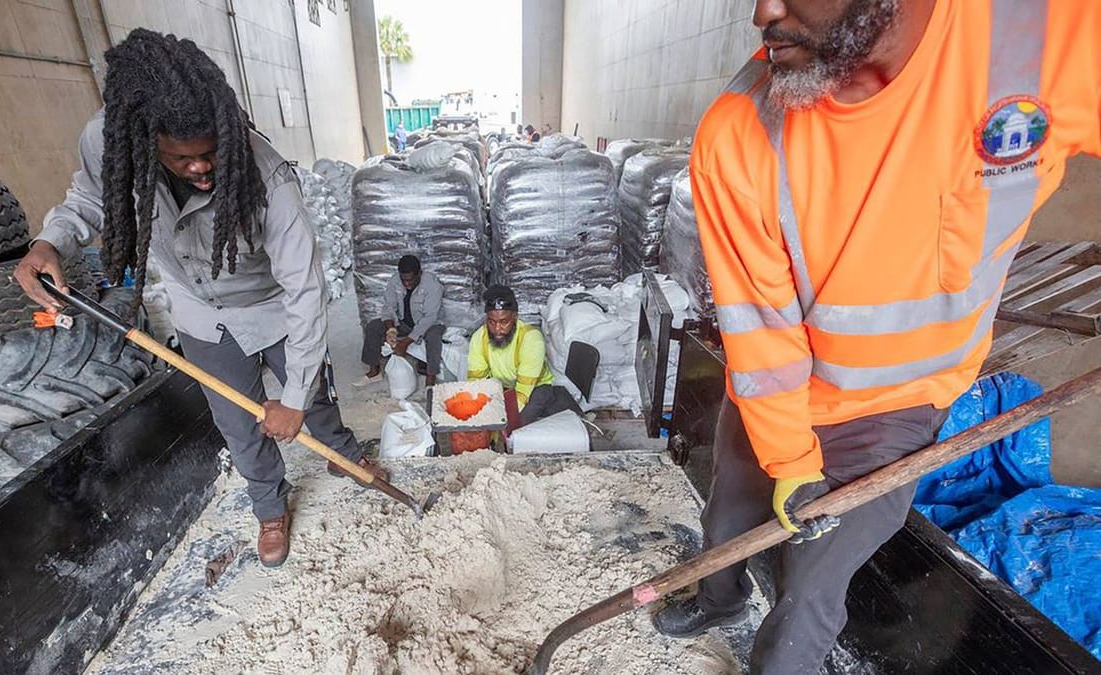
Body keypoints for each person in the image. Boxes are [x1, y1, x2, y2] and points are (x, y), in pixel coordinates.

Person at [652, 1, 1101, 673]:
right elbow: (760, 333)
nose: (762, 12)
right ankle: (721, 596)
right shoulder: (741, 131)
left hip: (896, 410)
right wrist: (793, 458)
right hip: (785, 392)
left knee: (810, 582)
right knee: (734, 501)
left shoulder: (1043, 39)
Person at [14, 29, 387, 570]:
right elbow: (91, 198)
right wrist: (51, 240)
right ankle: (269, 506)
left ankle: (344, 456)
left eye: (211, 152)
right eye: (183, 157)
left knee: (314, 396)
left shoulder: (267, 176)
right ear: (149, 140)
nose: (200, 167)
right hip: (199, 311)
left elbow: (306, 290)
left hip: (272, 305)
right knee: (239, 421)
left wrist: (296, 396)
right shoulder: (113, 139)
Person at [467, 285, 581, 430]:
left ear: (514, 317)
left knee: (514, 426)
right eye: (492, 322)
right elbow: (476, 381)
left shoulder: (531, 338)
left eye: (504, 322)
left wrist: (501, 419)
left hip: (535, 388)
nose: (497, 329)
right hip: (503, 388)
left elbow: (522, 393)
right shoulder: (479, 338)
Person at [358, 255, 444, 388]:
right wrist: (390, 329)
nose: (407, 284)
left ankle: (431, 378)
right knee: (373, 327)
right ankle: (374, 372)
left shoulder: (433, 285)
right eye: (404, 280)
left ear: (419, 274)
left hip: (429, 324)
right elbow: (389, 307)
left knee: (434, 337)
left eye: (410, 280)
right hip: (404, 322)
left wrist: (405, 342)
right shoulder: (395, 281)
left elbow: (430, 318)